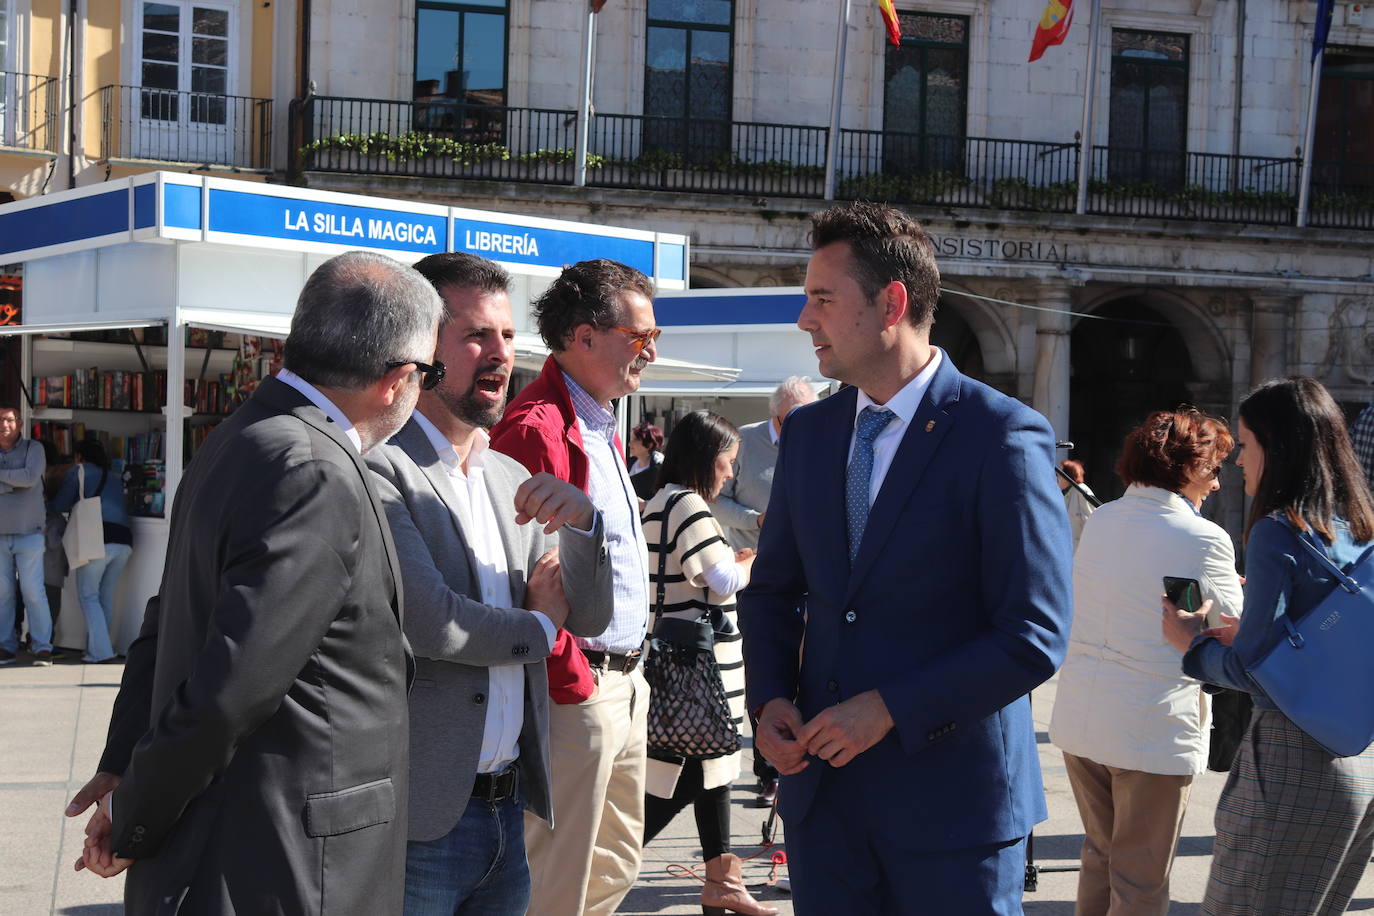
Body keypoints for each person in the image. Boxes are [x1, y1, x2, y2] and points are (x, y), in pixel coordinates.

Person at [62, 251, 443, 915]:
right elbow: (232, 685)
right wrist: (135, 814)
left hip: (252, 851)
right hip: (285, 866)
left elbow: (165, 623)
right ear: (397, 379)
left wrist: (126, 768)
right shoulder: (313, 467)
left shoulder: (244, 436)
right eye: (429, 374)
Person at [739, 201, 1072, 914]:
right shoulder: (809, 433)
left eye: (822, 300)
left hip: (954, 819)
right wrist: (768, 701)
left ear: (891, 303)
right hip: (824, 812)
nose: (805, 320)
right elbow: (772, 592)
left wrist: (890, 709)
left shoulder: (1002, 434)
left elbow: (1035, 634)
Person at [365, 251, 615, 915]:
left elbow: (587, 616)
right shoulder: (380, 470)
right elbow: (433, 622)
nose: (498, 354)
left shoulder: (510, 476)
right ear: (420, 346)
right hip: (420, 819)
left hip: (511, 811)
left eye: (506, 335)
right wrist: (538, 624)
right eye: (475, 334)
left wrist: (585, 525)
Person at [1163, 376, 1374, 915]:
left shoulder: (1279, 531)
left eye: (1247, 444)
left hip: (1291, 762)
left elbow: (1254, 668)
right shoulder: (1359, 527)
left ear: (1277, 449)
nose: (1238, 461)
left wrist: (1193, 643)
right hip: (1359, 758)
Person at [489, 258, 656, 916]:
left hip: (623, 681)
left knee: (615, 863)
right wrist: (575, 678)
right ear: (584, 337)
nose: (650, 351)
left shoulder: (598, 420)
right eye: (640, 336)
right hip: (578, 685)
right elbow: (520, 574)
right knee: (556, 886)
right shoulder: (536, 428)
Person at [1050, 408, 1243, 916]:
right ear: (1189, 467)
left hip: (1085, 717)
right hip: (1150, 725)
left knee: (1101, 858)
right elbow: (1234, 626)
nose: (1218, 484)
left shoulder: (1107, 517)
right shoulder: (1202, 536)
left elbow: (1149, 594)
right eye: (1215, 469)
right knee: (1139, 878)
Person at [640, 410, 776, 916]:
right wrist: (750, 561)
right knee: (692, 773)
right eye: (728, 462)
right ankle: (602, 861)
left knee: (708, 767)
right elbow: (717, 581)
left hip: (674, 660)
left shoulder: (658, 502)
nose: (730, 474)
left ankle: (723, 879)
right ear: (707, 458)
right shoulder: (689, 505)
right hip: (702, 668)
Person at [712, 375, 818, 807]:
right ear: (777, 415)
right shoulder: (747, 441)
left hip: (807, 573)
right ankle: (765, 771)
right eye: (795, 418)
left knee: (802, 668)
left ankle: (799, 758)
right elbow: (718, 499)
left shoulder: (818, 436)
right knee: (763, 666)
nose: (803, 425)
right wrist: (755, 520)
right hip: (750, 570)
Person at [50, 438, 134, 664]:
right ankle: (97, 649)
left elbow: (59, 505)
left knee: (88, 596)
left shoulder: (79, 471)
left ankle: (102, 652)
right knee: (105, 596)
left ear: (79, 457)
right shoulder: (115, 477)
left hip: (97, 539)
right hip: (124, 541)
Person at [713, 377, 817, 552]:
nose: (800, 428)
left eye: (808, 421)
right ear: (773, 413)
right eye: (790, 421)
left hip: (806, 560)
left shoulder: (821, 443)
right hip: (752, 560)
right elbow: (715, 499)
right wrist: (756, 520)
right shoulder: (742, 441)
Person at [0, 403, 54, 666]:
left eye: (9, 420)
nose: (4, 425)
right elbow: (19, 480)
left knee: (32, 590)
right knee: (3, 593)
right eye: (0, 420)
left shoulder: (34, 449)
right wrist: (13, 481)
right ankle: (6, 646)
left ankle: (42, 646)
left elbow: (30, 478)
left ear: (19, 423)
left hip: (29, 533)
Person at [1058, 458, 1097, 551]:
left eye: (1060, 474)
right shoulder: (1065, 493)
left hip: (1081, 550)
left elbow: (1090, 520)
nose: (1057, 477)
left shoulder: (1081, 491)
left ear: (1067, 476)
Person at [628, 420, 664, 500]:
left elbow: (664, 498)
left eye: (636, 440)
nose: (630, 444)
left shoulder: (659, 468)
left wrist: (646, 504)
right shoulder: (630, 464)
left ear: (649, 445)